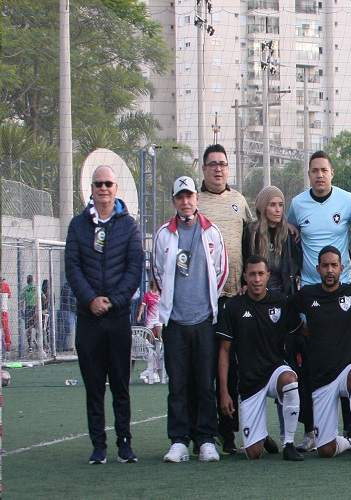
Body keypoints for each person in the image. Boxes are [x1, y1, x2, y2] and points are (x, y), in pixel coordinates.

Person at [64, 164, 144, 464]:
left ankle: (125, 443)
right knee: (94, 385)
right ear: (91, 188)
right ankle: (99, 445)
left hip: (118, 317)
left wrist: (113, 300)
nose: (103, 188)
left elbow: (134, 268)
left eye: (108, 183)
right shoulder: (77, 225)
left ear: (116, 188)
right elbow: (72, 267)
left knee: (121, 385)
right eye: (98, 184)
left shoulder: (128, 226)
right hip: (89, 319)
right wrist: (90, 300)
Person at [153, 175, 228, 463]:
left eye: (190, 196)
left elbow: (221, 270)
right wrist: (170, 306)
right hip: (176, 322)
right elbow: (158, 272)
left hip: (204, 319)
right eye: (180, 197)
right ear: (174, 201)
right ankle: (179, 440)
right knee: (178, 384)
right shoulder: (164, 234)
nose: (185, 202)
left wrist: (207, 302)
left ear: (197, 199)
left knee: (204, 383)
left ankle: (206, 439)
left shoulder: (211, 231)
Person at [216, 256, 304, 461]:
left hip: (275, 371)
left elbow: (302, 332)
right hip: (249, 382)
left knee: (290, 381)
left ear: (268, 276)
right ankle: (261, 436)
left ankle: (289, 444)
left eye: (261, 274)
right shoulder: (233, 307)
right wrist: (224, 392)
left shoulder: (282, 302)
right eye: (252, 274)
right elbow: (224, 352)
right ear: (245, 277)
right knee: (253, 454)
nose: (256, 279)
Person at [196, 144, 253, 455]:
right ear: (203, 169)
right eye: (212, 164)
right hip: (205, 301)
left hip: (235, 298)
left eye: (223, 164)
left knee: (234, 369)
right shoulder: (195, 202)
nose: (218, 169)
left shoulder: (238, 201)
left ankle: (233, 432)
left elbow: (250, 241)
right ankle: (203, 432)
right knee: (206, 368)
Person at [292, 246, 351, 460]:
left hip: (347, 369)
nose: (330, 270)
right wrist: (303, 330)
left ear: (341, 268)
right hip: (321, 379)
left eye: (334, 265)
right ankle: (344, 442)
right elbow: (288, 313)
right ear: (317, 269)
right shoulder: (306, 295)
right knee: (325, 451)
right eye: (325, 266)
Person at [288, 151, 351, 287]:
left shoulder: (348, 200)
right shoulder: (297, 204)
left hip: (342, 281)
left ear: (332, 173)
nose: (320, 175)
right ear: (309, 174)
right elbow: (288, 228)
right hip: (310, 284)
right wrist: (285, 224)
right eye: (315, 171)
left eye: (324, 170)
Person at [20, 274, 38, 356]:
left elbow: (21, 300)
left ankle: (30, 346)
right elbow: (43, 297)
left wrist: (21, 310)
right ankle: (37, 343)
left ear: (27, 280)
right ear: (32, 280)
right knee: (37, 327)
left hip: (28, 309)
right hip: (35, 309)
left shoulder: (25, 289)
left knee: (28, 328)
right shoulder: (36, 288)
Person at [1, 277, 11, 351]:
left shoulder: (5, 285)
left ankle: (7, 346)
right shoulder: (6, 285)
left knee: (5, 329)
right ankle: (7, 347)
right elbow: (9, 296)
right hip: (4, 310)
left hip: (3, 310)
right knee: (5, 329)